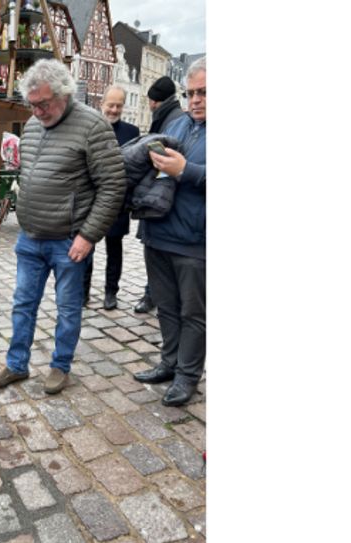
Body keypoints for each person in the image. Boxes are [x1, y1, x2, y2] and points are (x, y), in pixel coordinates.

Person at [0, 59, 126, 394]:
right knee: (23, 303)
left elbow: (113, 186)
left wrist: (88, 236)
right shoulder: (33, 126)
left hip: (69, 242)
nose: (37, 112)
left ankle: (60, 366)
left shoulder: (93, 126)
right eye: (32, 105)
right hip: (30, 238)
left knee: (67, 308)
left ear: (64, 94)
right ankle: (16, 365)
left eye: (43, 104)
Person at [133, 58, 207, 407]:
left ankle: (187, 376)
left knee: (193, 313)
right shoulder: (179, 125)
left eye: (204, 92)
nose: (196, 100)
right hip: (158, 231)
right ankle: (169, 362)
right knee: (166, 306)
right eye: (191, 93)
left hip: (195, 241)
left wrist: (185, 170)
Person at [82, 85, 140, 309]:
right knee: (87, 249)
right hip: (91, 200)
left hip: (118, 202)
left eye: (119, 105)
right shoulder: (90, 128)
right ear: (101, 104)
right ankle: (83, 291)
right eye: (110, 105)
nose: (114, 109)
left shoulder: (132, 132)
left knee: (114, 250)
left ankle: (110, 292)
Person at [134, 75, 186, 313]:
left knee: (157, 252)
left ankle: (153, 295)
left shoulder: (172, 120)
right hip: (158, 192)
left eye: (151, 101)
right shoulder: (168, 116)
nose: (150, 105)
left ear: (157, 101)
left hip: (160, 194)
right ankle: (154, 294)